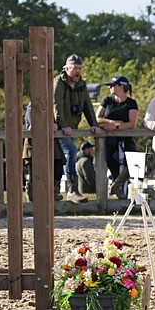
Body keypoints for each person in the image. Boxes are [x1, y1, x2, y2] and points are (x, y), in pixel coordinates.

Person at [52, 54, 103, 203]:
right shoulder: (58, 83)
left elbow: (87, 105)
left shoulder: (81, 85)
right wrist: (63, 125)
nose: (77, 71)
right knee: (72, 151)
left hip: (71, 128)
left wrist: (94, 124)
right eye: (74, 68)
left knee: (63, 158)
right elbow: (57, 106)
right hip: (59, 127)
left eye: (80, 68)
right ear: (66, 68)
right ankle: (72, 189)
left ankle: (57, 190)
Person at [97, 75, 140, 198]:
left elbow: (132, 123)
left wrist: (116, 127)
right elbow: (98, 118)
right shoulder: (107, 100)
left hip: (126, 139)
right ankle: (118, 192)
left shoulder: (131, 103)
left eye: (113, 85)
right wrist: (111, 123)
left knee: (134, 164)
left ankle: (117, 187)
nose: (110, 87)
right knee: (111, 162)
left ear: (121, 87)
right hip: (110, 141)